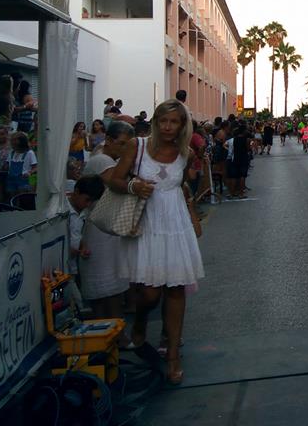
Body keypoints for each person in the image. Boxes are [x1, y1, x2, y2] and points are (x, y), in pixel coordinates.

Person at [110, 99, 204, 384]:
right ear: (155, 121)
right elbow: (114, 179)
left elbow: (180, 185)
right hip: (146, 223)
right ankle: (140, 320)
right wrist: (132, 185)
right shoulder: (136, 147)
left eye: (174, 121)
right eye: (163, 120)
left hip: (174, 223)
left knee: (176, 290)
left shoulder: (185, 152)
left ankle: (172, 354)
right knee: (150, 293)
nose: (168, 126)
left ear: (182, 125)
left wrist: (192, 213)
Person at [81, 121, 134, 324]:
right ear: (110, 140)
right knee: (108, 284)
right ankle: (114, 332)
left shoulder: (104, 157)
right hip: (100, 228)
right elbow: (119, 184)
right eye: (122, 144)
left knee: (109, 285)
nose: (125, 150)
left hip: (104, 225)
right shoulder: (103, 160)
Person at [45, 174, 104, 275]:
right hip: (57, 268)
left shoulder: (85, 213)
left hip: (73, 267)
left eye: (92, 202)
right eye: (87, 199)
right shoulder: (59, 210)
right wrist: (66, 250)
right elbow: (49, 238)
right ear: (76, 192)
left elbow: (78, 235)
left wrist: (83, 246)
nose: (88, 204)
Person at [6, 132, 36, 197]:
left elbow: (35, 167)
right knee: (12, 197)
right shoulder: (11, 153)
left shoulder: (29, 153)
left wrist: (29, 172)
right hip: (11, 179)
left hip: (23, 180)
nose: (12, 143)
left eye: (14, 140)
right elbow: (7, 166)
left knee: (22, 198)